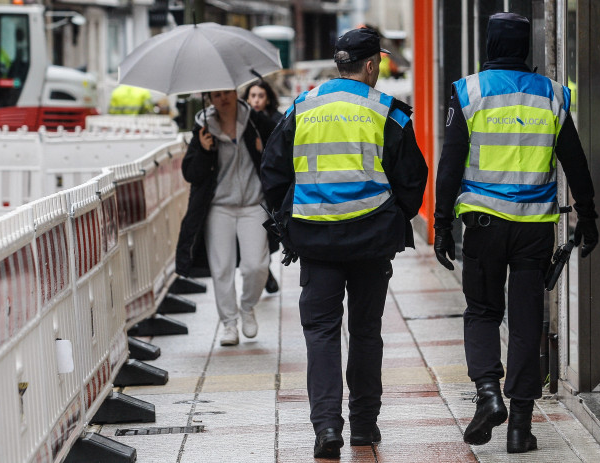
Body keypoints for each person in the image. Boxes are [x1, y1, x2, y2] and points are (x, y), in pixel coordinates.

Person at [433, 12, 599, 454]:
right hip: (534, 229)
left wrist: (441, 224)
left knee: (483, 311)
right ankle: (521, 428)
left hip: (485, 225)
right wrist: (589, 215)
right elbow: (576, 163)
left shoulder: (467, 92)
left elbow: (450, 166)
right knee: (526, 321)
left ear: (489, 45)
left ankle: (488, 392)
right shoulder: (552, 95)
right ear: (525, 47)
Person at [261, 28, 428, 459]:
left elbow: (273, 172)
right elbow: (413, 178)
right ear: (371, 65)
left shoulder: (302, 106)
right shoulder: (386, 110)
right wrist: (393, 215)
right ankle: (364, 425)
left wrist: (290, 223)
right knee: (367, 332)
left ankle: (326, 429)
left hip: (316, 241)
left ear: (340, 63)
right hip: (372, 241)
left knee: (321, 332)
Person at [176, 90, 276, 346]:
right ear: (209, 98)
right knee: (222, 269)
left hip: (254, 204)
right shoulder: (203, 128)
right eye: (216, 94)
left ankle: (247, 306)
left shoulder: (255, 120)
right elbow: (191, 173)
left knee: (256, 265)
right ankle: (229, 324)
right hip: (219, 207)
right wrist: (205, 150)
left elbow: (282, 151)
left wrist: (263, 151)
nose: (223, 98)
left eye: (226, 92)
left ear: (235, 90)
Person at [242, 80, 283, 294]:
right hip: (248, 190)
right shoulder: (242, 121)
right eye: (253, 96)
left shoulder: (277, 121)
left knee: (266, 233)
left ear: (268, 98)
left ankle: (264, 269)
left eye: (261, 96)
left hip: (269, 189)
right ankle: (264, 271)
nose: (256, 100)